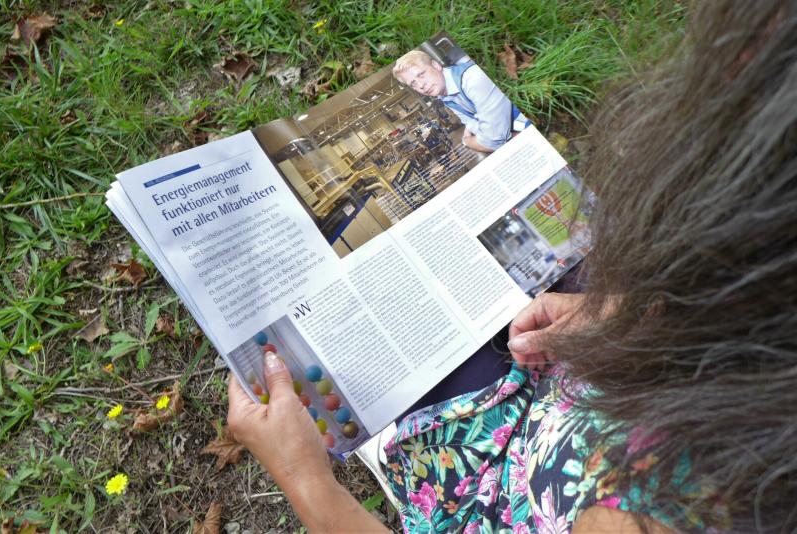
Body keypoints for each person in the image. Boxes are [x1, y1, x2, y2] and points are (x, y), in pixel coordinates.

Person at [228, 1, 797, 532]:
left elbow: (489, 134)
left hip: (498, 482)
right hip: (596, 376)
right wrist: (625, 314)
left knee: (386, 352)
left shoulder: (660, 505)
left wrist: (309, 486)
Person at [392, 50, 531, 153]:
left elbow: (494, 140)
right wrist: (489, 133)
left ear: (436, 65)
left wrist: (468, 142)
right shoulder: (444, 95)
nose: (421, 85)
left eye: (421, 74)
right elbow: (471, 124)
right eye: (413, 84)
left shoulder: (472, 79)